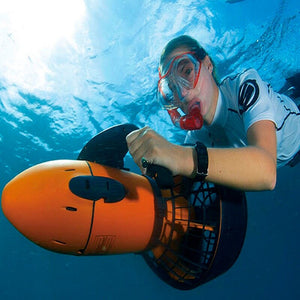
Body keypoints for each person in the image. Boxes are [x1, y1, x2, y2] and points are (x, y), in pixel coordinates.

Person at [126, 35, 300, 191]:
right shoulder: (196, 138)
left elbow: (266, 172)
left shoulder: (244, 86)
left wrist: (179, 156)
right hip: (287, 155)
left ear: (208, 65)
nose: (183, 94)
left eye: (187, 71)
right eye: (172, 89)